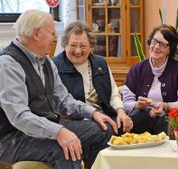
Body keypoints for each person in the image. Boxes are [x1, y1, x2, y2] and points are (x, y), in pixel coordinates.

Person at [0, 9, 116, 169]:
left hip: (47, 126)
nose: (55, 38)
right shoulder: (8, 64)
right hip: (13, 137)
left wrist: (93, 113)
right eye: (52, 33)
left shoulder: (45, 62)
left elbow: (63, 100)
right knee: (66, 149)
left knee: (104, 130)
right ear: (36, 33)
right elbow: (19, 117)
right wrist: (59, 132)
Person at [52, 21, 133, 133]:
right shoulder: (54, 66)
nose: (78, 51)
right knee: (105, 130)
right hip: (74, 121)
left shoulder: (100, 63)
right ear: (65, 45)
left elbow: (113, 94)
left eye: (83, 46)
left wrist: (121, 112)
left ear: (91, 47)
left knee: (135, 120)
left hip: (104, 115)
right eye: (73, 45)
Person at [123, 24, 178, 134]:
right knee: (137, 117)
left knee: (164, 120)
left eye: (162, 44)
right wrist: (136, 105)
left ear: (170, 49)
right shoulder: (137, 69)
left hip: (168, 117)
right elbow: (125, 102)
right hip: (141, 117)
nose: (156, 47)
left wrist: (166, 106)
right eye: (154, 41)